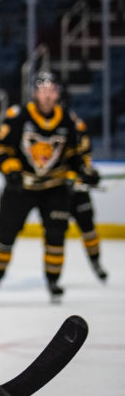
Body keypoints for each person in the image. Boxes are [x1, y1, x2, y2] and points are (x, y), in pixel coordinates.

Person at [0, 72, 99, 302]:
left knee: (56, 236)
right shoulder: (18, 116)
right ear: (35, 93)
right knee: (5, 234)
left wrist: (86, 172)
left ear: (58, 93)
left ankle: (53, 282)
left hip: (54, 188)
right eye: (43, 90)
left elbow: (77, 155)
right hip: (20, 188)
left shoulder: (68, 120)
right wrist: (11, 170)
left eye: (52, 90)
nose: (47, 95)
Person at [66, 111, 108, 282]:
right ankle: (53, 277)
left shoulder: (78, 131)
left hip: (79, 193)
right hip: (57, 193)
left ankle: (96, 262)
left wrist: (89, 175)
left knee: (88, 229)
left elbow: (85, 162)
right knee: (55, 233)